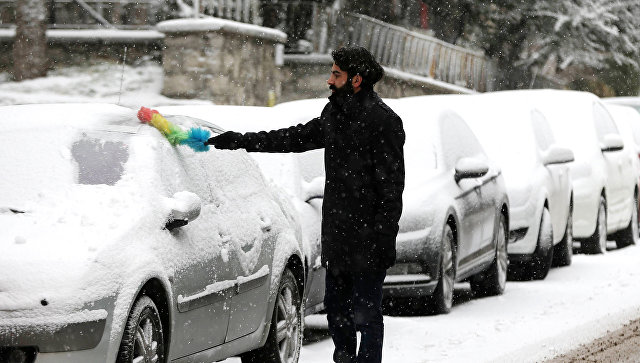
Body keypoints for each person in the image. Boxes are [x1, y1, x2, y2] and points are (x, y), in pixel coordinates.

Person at [207, 46, 405, 363]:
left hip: (369, 240)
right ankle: (343, 358)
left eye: (335, 74)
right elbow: (293, 138)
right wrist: (241, 140)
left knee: (367, 314)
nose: (329, 80)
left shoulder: (384, 122)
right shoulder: (335, 115)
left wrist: (382, 240)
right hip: (338, 234)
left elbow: (392, 189)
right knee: (337, 312)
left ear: (355, 79)